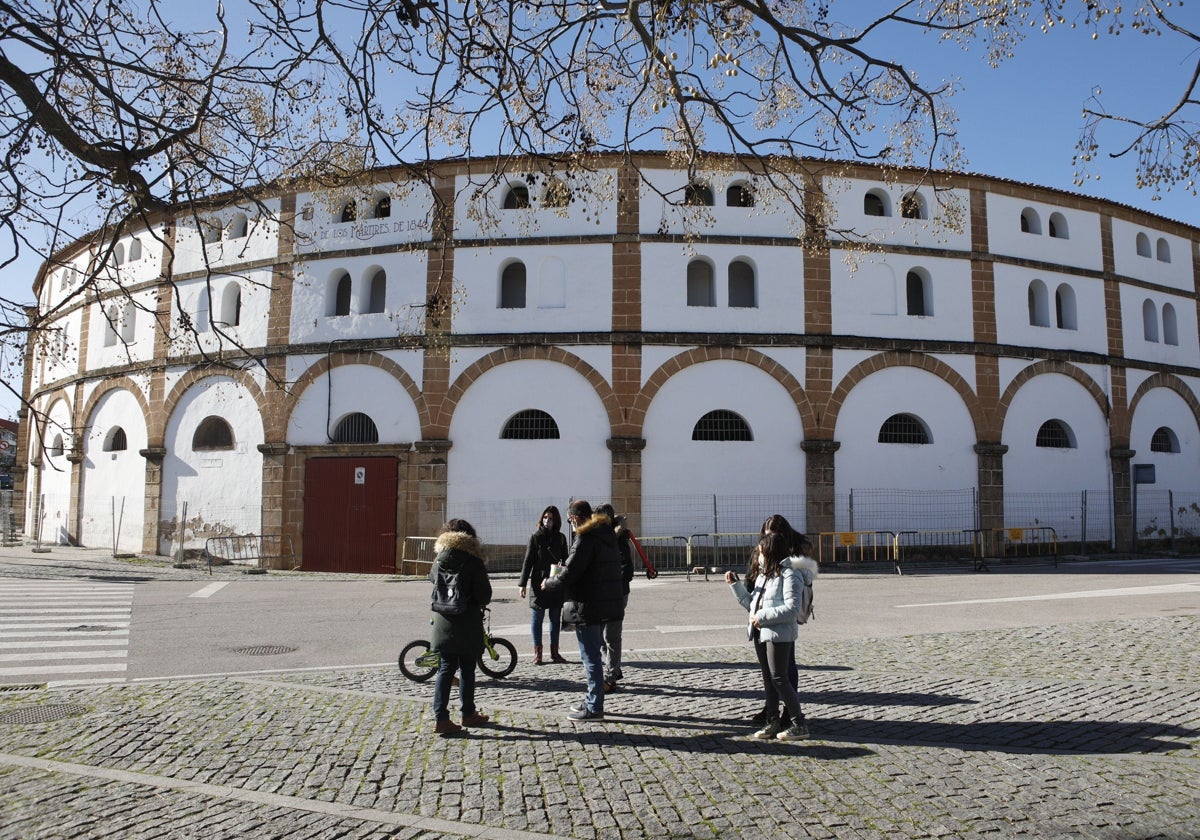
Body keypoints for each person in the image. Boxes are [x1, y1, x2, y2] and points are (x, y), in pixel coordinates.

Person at [540, 499, 625, 721]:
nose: (569, 523)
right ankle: (591, 699)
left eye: (569, 520)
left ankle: (595, 706)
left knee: (591, 658)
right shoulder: (607, 536)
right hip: (605, 602)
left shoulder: (585, 539)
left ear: (576, 518)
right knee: (594, 655)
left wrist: (548, 583)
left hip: (588, 604)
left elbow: (570, 573)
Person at [725, 531, 812, 741]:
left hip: (779, 633)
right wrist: (735, 586)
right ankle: (771, 721)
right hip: (760, 631)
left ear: (771, 553)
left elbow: (791, 609)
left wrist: (762, 617)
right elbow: (751, 606)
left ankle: (799, 723)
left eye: (762, 552)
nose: (759, 556)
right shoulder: (764, 575)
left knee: (780, 678)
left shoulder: (790, 574)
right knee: (769, 679)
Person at [428, 518, 493, 737]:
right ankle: (468, 713)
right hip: (466, 621)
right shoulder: (473, 561)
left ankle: (441, 718)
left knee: (445, 668)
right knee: (467, 669)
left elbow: (432, 580)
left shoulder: (439, 559)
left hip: (443, 620)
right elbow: (485, 594)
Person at [748, 513, 814, 727]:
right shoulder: (762, 552)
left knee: (784, 670)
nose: (769, 539)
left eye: (774, 534)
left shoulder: (792, 562)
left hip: (779, 619)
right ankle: (772, 712)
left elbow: (793, 601)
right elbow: (752, 580)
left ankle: (792, 714)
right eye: (766, 535)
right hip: (761, 615)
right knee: (768, 670)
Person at [518, 505, 570, 665]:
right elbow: (528, 562)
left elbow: (566, 560)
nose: (548, 521)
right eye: (545, 517)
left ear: (556, 521)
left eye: (551, 518)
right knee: (537, 618)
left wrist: (563, 580)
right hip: (537, 582)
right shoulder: (535, 537)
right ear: (542, 519)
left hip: (555, 582)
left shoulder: (561, 538)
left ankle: (555, 653)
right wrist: (522, 584)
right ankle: (538, 653)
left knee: (555, 619)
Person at [595, 503, 635, 692]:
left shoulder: (618, 539)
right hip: (602, 594)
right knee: (601, 637)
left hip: (617, 593)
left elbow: (627, 570)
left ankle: (610, 678)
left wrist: (609, 579)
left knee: (610, 637)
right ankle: (614, 668)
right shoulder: (600, 538)